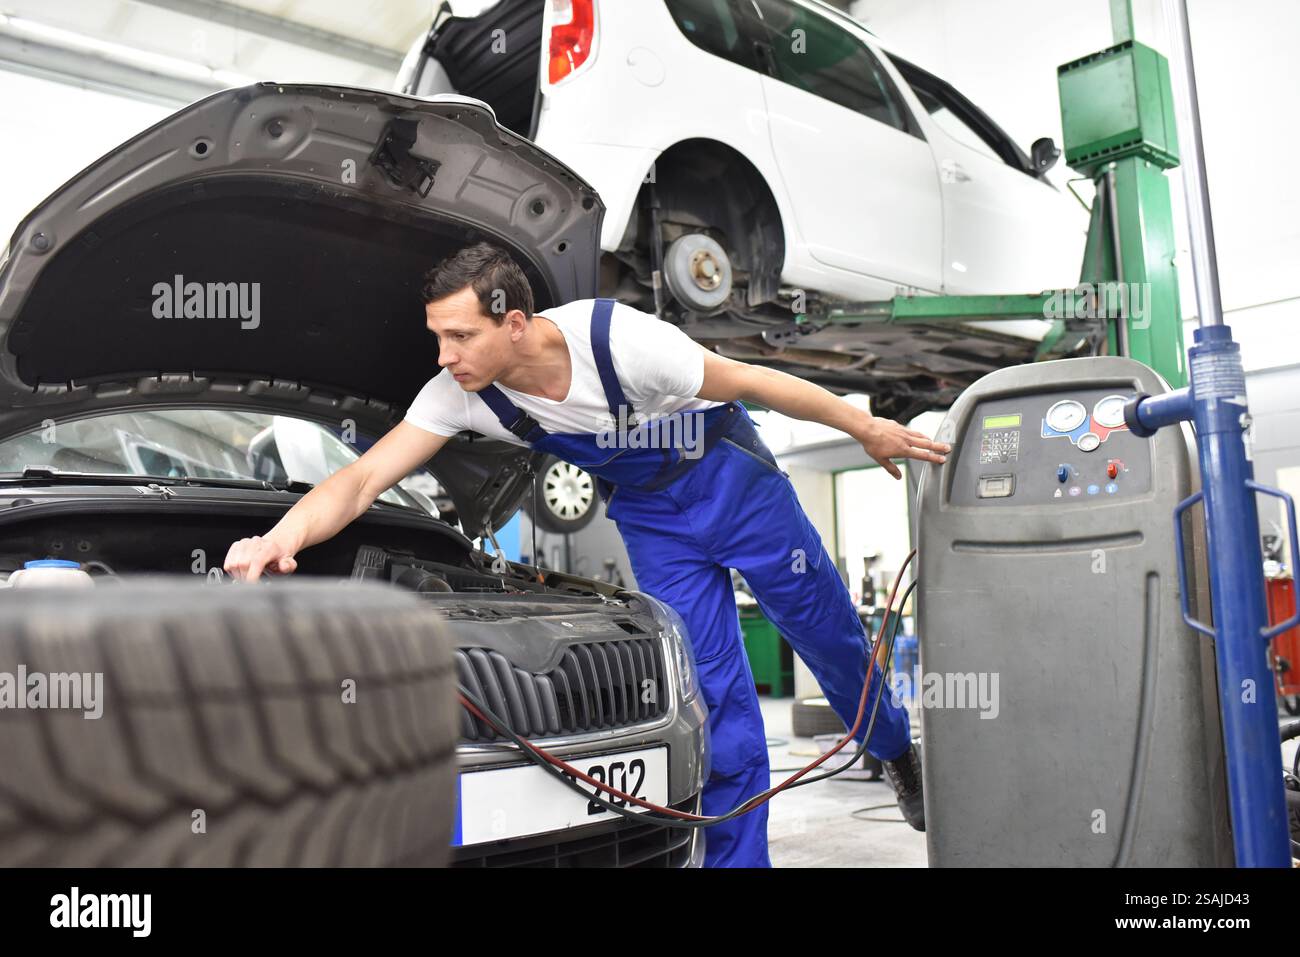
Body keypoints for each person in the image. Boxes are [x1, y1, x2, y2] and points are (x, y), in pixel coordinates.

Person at [223, 243, 951, 866]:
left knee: (825, 631)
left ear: (514, 323)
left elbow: (755, 382)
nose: (444, 357)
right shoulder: (461, 392)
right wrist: (278, 538)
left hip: (734, 482)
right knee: (719, 699)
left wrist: (865, 427)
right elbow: (360, 479)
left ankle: (891, 743)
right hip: (651, 517)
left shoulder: (621, 342)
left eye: (459, 336)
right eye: (436, 338)